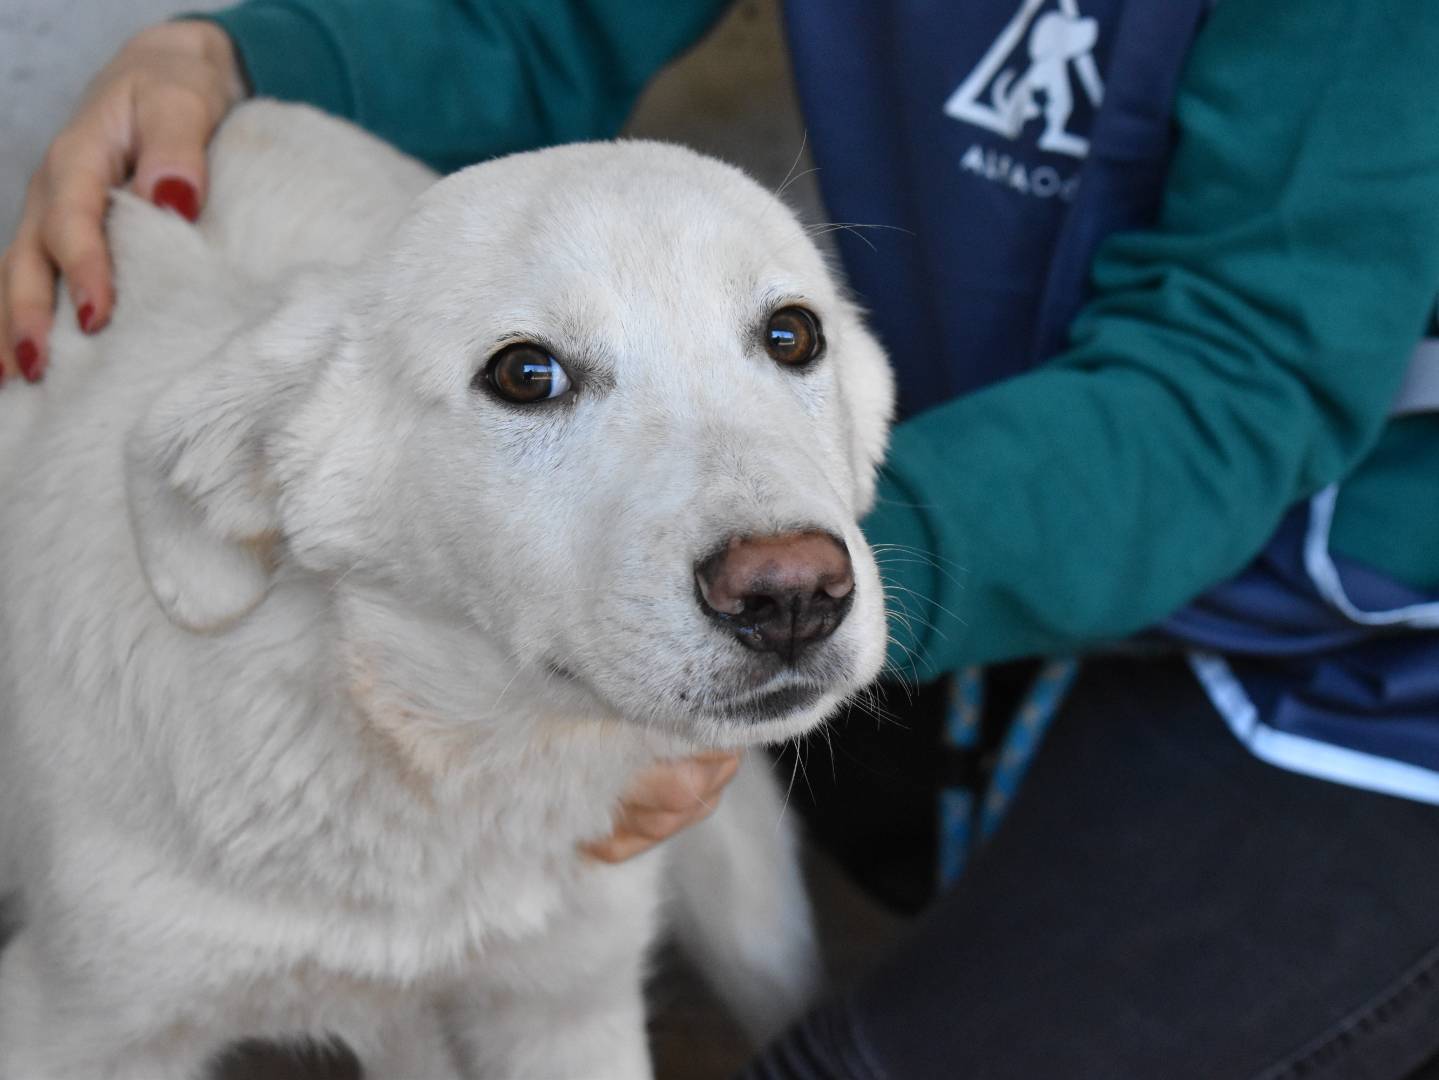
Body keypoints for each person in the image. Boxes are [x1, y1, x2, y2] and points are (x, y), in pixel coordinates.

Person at [4, 2, 1439, 1077]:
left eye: (788, 334)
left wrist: (887, 559)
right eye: (530, 378)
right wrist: (236, 58)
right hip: (1033, 543)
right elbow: (539, 14)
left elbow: (1235, 368)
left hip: (1371, 650)